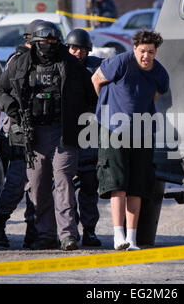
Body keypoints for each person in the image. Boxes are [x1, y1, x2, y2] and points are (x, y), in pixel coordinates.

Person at [0, 21, 96, 251]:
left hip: (63, 132)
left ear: (57, 42)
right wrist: (13, 109)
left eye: (51, 43)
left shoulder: (70, 64)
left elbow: (90, 97)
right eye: (42, 43)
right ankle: (45, 235)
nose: (46, 47)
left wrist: (79, 123)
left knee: (63, 180)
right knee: (37, 186)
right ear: (34, 43)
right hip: (33, 134)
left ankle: (68, 235)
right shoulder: (20, 64)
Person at [91, 30, 169, 250]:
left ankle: (132, 240)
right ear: (135, 49)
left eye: (151, 52)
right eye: (142, 51)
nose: (146, 56)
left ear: (155, 52)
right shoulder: (120, 62)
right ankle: (118, 237)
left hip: (142, 132)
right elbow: (96, 80)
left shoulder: (160, 73)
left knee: (137, 187)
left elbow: (156, 93)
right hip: (113, 130)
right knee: (118, 185)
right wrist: (108, 108)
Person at [0, 19, 44, 249]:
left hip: (43, 128)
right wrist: (12, 108)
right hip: (20, 129)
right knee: (18, 180)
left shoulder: (50, 62)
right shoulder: (17, 61)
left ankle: (33, 231)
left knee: (39, 183)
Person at [65, 29, 103, 246]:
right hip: (65, 134)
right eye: (73, 48)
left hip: (89, 132)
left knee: (89, 184)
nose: (77, 52)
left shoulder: (96, 67)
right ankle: (69, 229)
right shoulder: (60, 66)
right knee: (64, 187)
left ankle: (89, 230)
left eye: (81, 49)